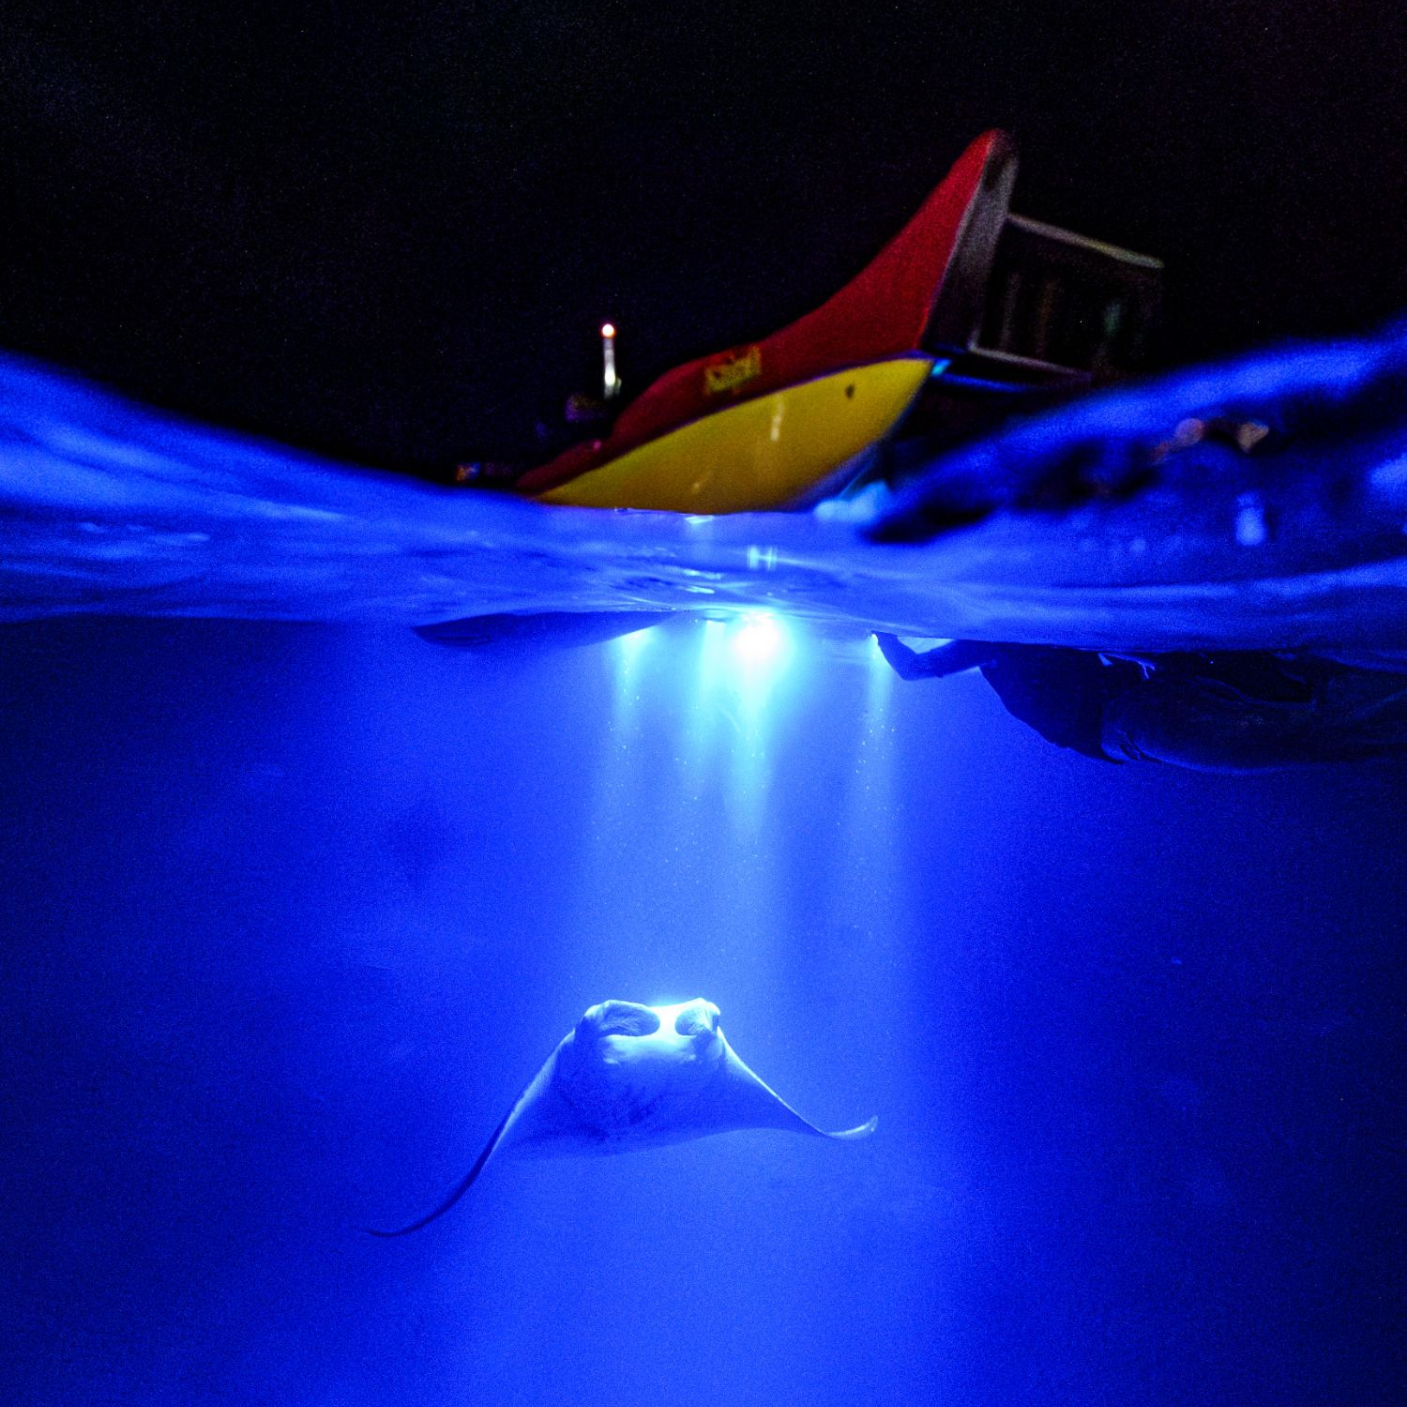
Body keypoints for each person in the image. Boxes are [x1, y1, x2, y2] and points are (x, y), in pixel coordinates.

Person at [874, 635, 1407, 771]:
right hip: (1131, 718)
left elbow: (917, 668)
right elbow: (916, 668)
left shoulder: (1004, 627)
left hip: (1149, 694)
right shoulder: (987, 638)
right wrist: (876, 628)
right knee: (1288, 736)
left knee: (1295, 723)